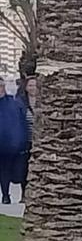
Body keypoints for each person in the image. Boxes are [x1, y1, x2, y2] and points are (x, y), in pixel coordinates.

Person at [0, 77, 29, 205]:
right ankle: (5, 195)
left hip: (15, 144)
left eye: (1, 86)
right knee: (4, 171)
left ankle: (23, 194)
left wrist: (22, 139)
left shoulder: (14, 103)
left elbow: (21, 122)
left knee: (21, 170)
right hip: (2, 146)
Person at [15, 76, 35, 203]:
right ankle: (24, 193)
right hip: (26, 140)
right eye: (31, 85)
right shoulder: (20, 102)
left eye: (35, 85)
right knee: (24, 168)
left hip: (41, 141)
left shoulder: (46, 101)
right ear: (26, 87)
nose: (33, 88)